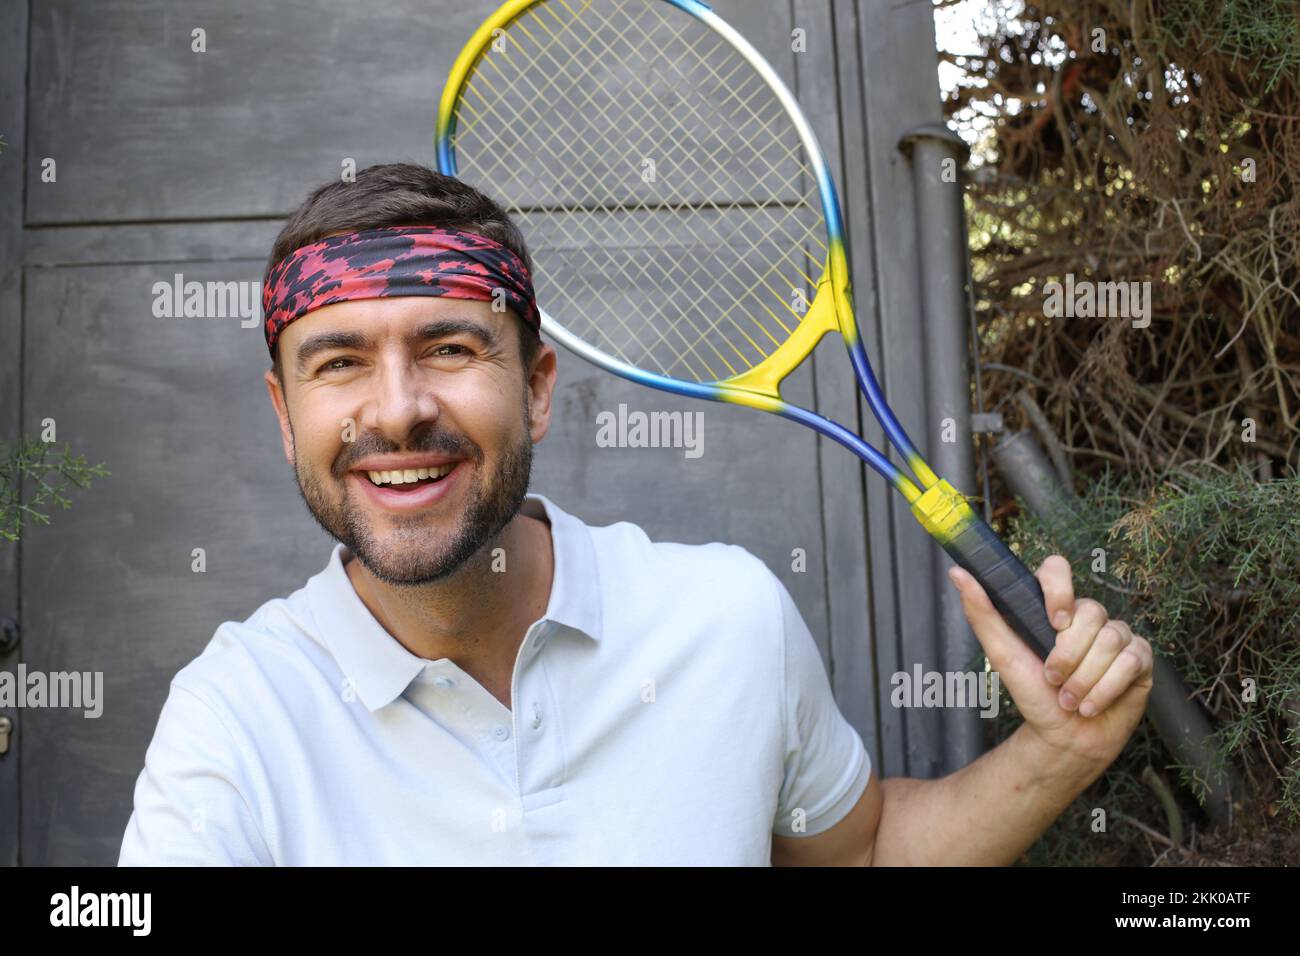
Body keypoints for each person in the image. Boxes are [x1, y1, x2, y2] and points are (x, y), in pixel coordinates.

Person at [118, 163, 1153, 866]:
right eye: (339, 362)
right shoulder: (232, 719)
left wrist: (1060, 749)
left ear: (537, 385)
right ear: (282, 412)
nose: (397, 408)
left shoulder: (724, 617)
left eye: (447, 347)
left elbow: (863, 851)